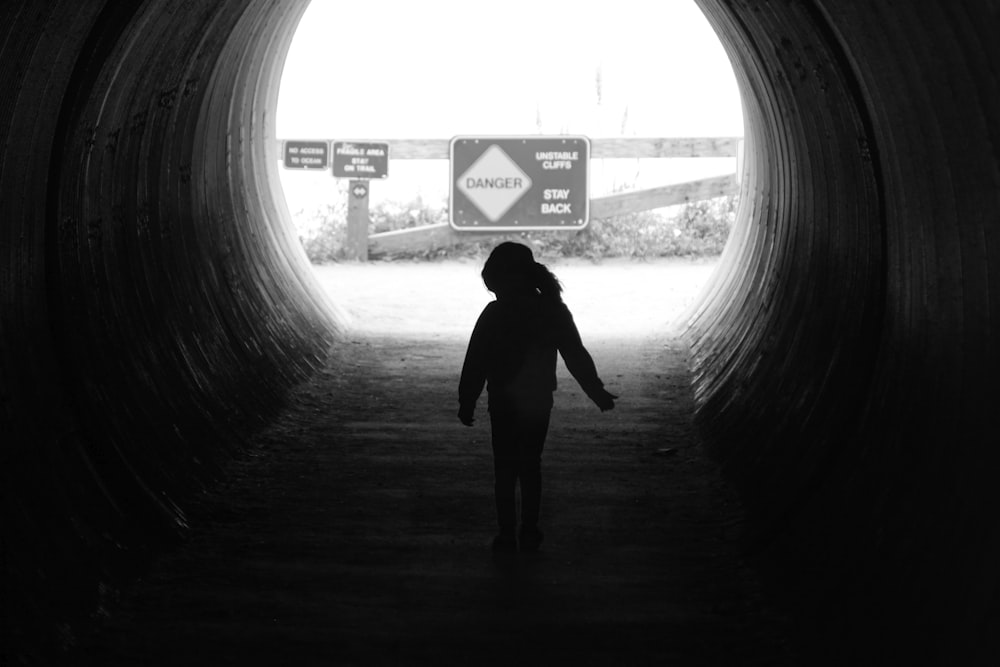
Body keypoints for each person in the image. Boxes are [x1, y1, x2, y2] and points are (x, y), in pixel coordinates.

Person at [458, 242, 617, 554]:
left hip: (502, 402)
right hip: (537, 401)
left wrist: (467, 400)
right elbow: (575, 354)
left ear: (498, 281)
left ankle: (506, 534)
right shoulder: (552, 310)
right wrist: (595, 390)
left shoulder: (494, 313)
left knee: (504, 468)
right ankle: (529, 529)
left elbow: (475, 360)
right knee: (530, 464)